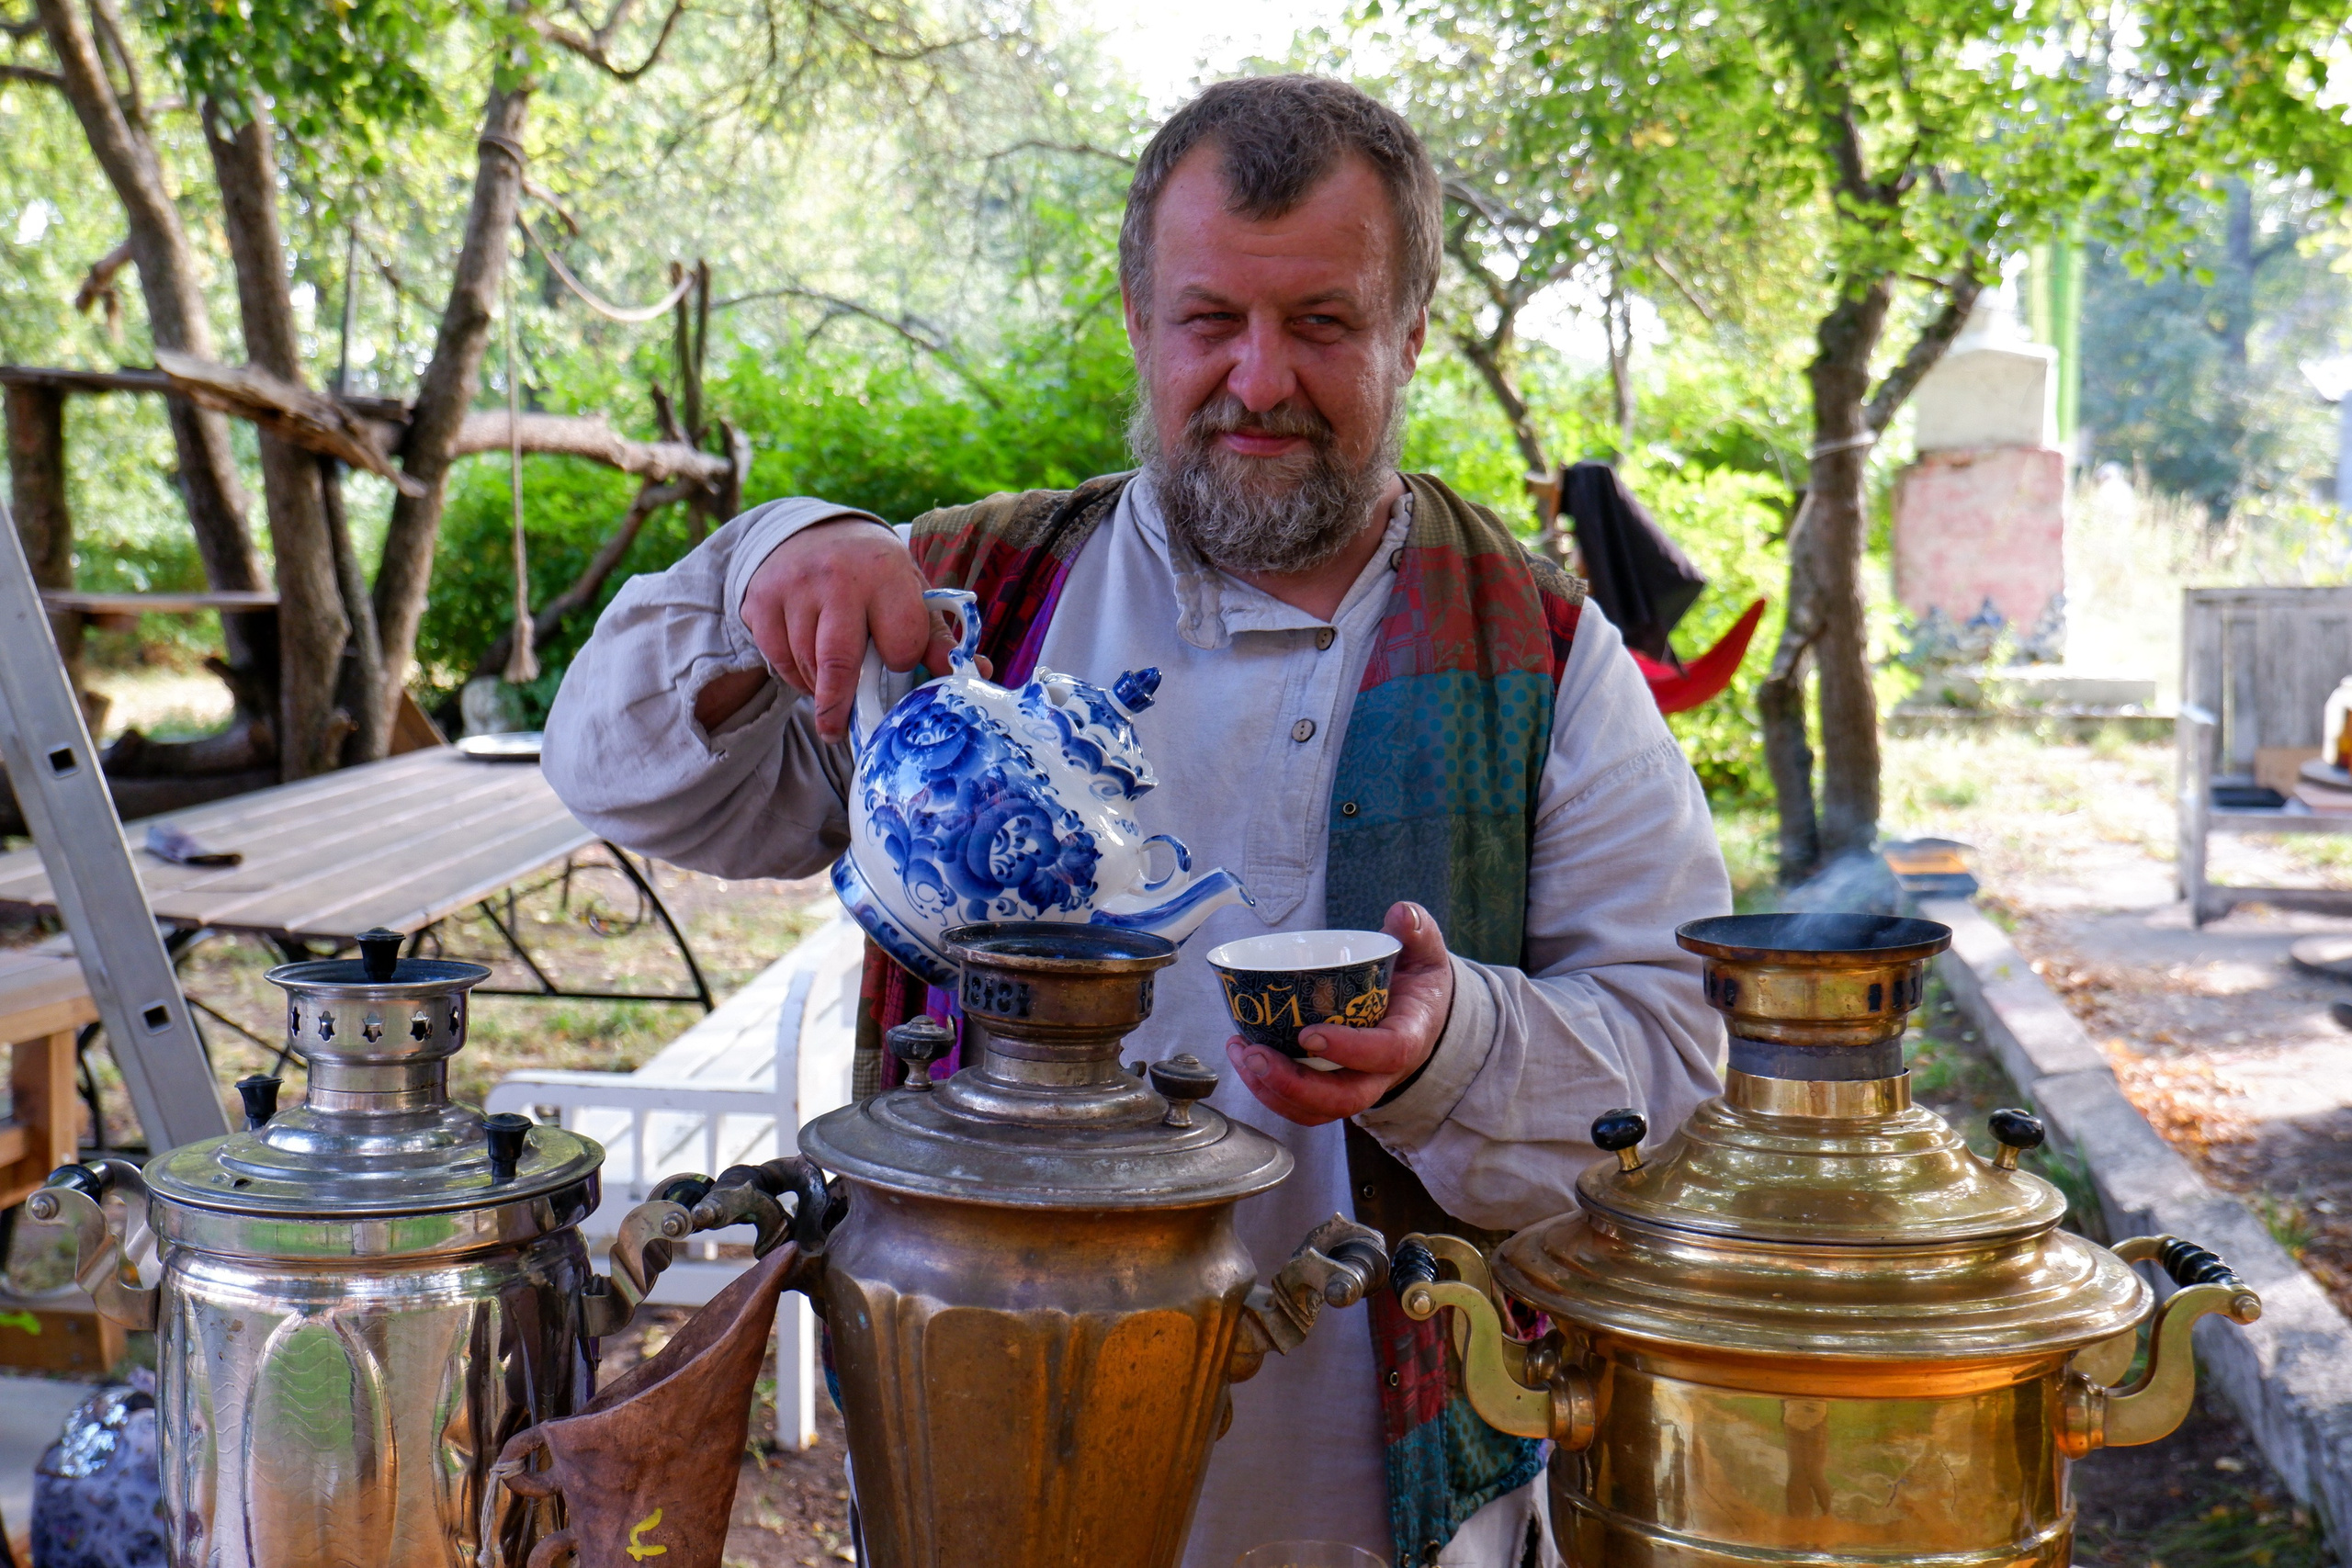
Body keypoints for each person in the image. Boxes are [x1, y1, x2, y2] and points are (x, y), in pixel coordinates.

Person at [542, 73, 1729, 1568]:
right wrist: (768, 561)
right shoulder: (962, 604)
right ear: (1139, 326)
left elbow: (1681, 1078)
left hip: (1404, 1511)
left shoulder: (1540, 654)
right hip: (980, 1454)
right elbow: (618, 769)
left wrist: (1452, 1048)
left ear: (1408, 335)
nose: (1258, 379)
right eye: (1209, 321)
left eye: (1321, 324)